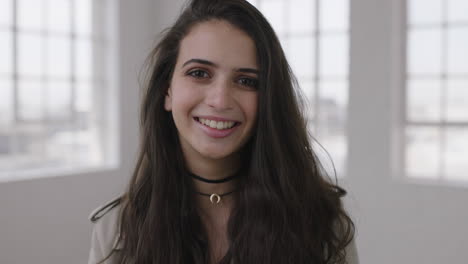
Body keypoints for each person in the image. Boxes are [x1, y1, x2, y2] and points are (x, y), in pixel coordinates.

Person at [88, 0, 358, 263]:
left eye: (246, 81)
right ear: (167, 91)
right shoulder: (114, 231)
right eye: (199, 73)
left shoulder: (321, 221)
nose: (220, 100)